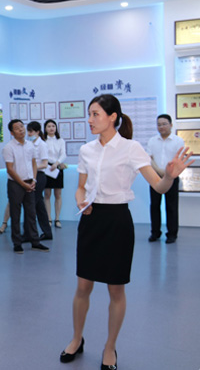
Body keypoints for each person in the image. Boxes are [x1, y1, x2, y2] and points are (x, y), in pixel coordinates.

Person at [60, 95, 191, 370]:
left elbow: (159, 187)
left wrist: (169, 176)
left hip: (117, 221)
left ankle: (110, 347)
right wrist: (80, 199)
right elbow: (81, 187)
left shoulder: (132, 148)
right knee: (82, 286)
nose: (90, 119)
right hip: (91, 220)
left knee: (116, 289)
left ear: (112, 117)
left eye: (95, 114)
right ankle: (76, 339)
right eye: (89, 114)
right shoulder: (86, 150)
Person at [2, 119, 50, 254]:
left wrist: (33, 179)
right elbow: (10, 169)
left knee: (31, 213)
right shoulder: (8, 148)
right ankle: (17, 243)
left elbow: (33, 163)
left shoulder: (30, 145)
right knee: (15, 214)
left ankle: (35, 241)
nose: (21, 130)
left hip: (30, 182)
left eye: (22, 126)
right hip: (15, 184)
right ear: (12, 132)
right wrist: (22, 184)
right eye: (17, 128)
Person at [147, 114, 185, 244]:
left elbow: (178, 159)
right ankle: (155, 233)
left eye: (164, 124)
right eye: (159, 124)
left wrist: (168, 173)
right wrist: (159, 171)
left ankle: (172, 234)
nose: (161, 127)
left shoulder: (178, 141)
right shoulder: (152, 140)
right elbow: (149, 158)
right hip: (155, 176)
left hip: (172, 176)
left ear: (171, 125)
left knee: (171, 206)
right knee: (154, 205)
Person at [27, 121, 53, 241]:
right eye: (28, 131)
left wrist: (32, 167)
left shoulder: (42, 145)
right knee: (39, 207)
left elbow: (44, 164)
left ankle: (30, 234)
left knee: (32, 205)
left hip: (39, 176)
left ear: (37, 132)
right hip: (31, 176)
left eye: (31, 131)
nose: (29, 134)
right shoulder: (29, 144)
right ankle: (47, 232)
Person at [43, 119, 67, 228]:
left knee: (58, 194)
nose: (51, 128)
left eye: (53, 126)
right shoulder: (43, 140)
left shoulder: (60, 140)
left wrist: (57, 163)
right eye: (49, 126)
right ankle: (48, 219)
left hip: (57, 167)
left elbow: (63, 154)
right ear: (45, 128)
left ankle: (57, 219)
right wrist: (48, 164)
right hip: (46, 168)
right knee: (47, 194)